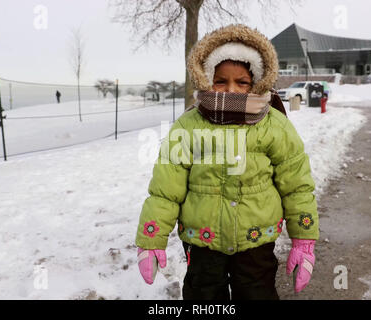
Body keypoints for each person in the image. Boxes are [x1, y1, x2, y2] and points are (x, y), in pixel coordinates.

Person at [135, 24, 319, 300]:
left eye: (242, 82)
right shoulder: (189, 125)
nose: (231, 89)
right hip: (202, 241)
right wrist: (152, 238)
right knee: (203, 295)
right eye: (221, 80)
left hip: (256, 240)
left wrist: (303, 238)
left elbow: (296, 185)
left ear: (257, 81)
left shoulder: (274, 124)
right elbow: (165, 189)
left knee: (257, 293)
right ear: (206, 78)